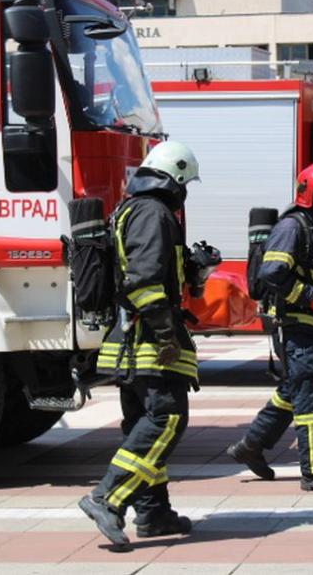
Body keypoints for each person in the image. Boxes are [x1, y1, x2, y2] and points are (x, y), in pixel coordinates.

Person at [79, 141, 202, 551]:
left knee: (141, 426)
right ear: (176, 179)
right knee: (166, 419)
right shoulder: (154, 213)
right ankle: (106, 498)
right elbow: (145, 281)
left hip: (128, 341)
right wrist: (167, 334)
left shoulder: (130, 209)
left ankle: (153, 514)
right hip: (149, 341)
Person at [227, 163, 313, 494]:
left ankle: (250, 445)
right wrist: (309, 296)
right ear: (308, 193)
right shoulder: (292, 226)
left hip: (311, 323)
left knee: (294, 388)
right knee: (311, 394)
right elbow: (272, 273)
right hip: (294, 321)